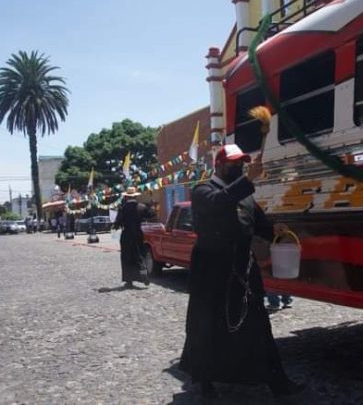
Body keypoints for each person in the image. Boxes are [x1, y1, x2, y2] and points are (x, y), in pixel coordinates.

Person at [179, 144, 305, 398]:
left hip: (243, 269)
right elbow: (219, 203)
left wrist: (275, 231)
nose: (239, 168)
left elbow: (260, 226)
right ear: (219, 165)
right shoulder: (203, 190)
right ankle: (205, 381)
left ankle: (277, 382)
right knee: (206, 325)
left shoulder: (246, 196)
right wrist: (247, 180)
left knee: (259, 324)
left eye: (242, 164)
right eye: (234, 164)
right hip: (211, 271)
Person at [113, 187, 153, 289]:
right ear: (135, 196)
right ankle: (143, 271)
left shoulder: (123, 208)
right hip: (138, 234)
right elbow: (151, 215)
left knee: (127, 257)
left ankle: (129, 280)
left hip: (126, 235)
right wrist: (150, 206)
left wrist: (116, 225)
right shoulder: (141, 207)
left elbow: (117, 223)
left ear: (126, 197)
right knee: (139, 254)